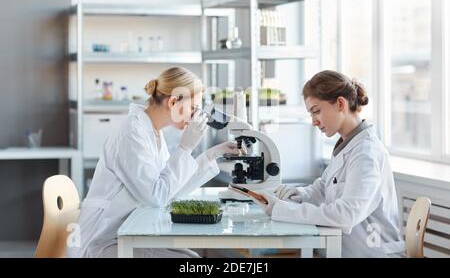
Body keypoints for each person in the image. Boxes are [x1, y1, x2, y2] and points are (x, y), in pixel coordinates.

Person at [67, 67, 240, 258]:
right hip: (100, 241)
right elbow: (157, 196)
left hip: (125, 231)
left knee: (192, 258)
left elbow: (170, 190)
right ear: (173, 101)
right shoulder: (131, 134)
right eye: (193, 108)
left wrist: (212, 155)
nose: (194, 115)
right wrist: (185, 148)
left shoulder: (153, 132)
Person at [252, 70, 404, 258]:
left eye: (316, 111)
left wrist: (283, 210)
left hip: (370, 254)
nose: (314, 121)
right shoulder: (348, 144)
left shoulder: (366, 153)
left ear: (340, 103)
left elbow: (345, 215)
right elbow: (323, 188)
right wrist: (298, 194)